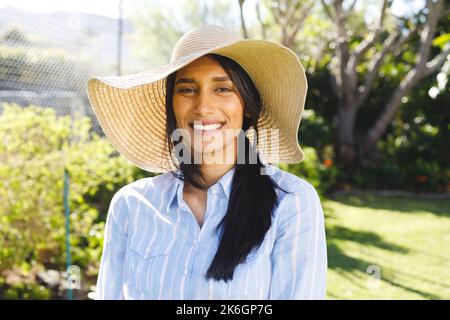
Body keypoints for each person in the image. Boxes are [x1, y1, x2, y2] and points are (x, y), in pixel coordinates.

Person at [87, 25, 327, 300]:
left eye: (223, 88)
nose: (203, 106)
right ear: (172, 106)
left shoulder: (291, 202)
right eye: (187, 89)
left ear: (247, 105)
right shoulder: (131, 205)